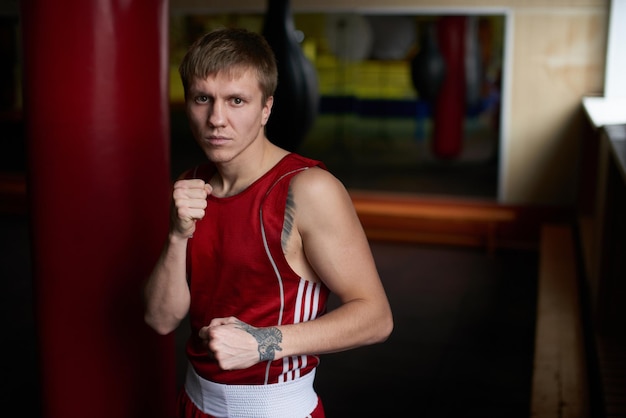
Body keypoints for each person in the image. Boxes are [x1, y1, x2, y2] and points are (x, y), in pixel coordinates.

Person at [143, 27, 393, 418]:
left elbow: (376, 317)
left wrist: (262, 343)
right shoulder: (191, 184)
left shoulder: (308, 189)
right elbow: (160, 319)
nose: (216, 119)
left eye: (236, 100)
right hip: (192, 403)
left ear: (266, 109)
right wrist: (177, 235)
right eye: (203, 98)